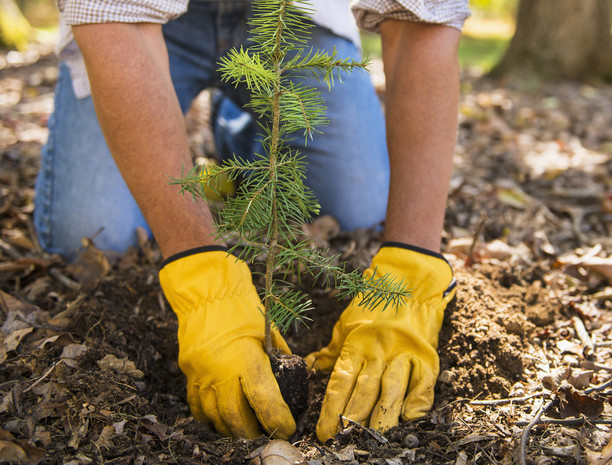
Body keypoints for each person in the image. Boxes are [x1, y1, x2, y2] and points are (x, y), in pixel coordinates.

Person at [35, 0, 468, 442]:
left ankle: (245, 136)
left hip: (296, 13)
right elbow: (114, 17)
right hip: (141, 21)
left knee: (358, 209)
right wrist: (199, 271)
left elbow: (425, 19)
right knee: (92, 233)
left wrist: (411, 263)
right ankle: (242, 148)